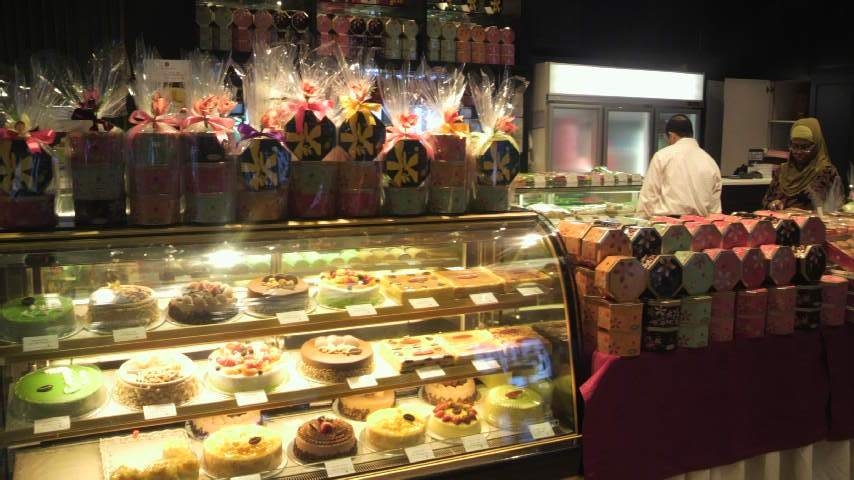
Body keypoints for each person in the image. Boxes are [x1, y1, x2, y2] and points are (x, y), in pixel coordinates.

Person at [636, 114, 722, 217]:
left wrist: (640, 220)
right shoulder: (710, 161)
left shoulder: (662, 156)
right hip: (701, 223)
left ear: (672, 135)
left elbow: (648, 197)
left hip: (668, 223)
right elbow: (715, 208)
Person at [763, 117, 842, 211]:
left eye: (805, 147)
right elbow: (767, 201)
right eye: (795, 146)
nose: (799, 152)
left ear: (816, 146)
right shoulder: (781, 171)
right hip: (779, 220)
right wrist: (772, 204)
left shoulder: (825, 172)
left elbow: (836, 208)